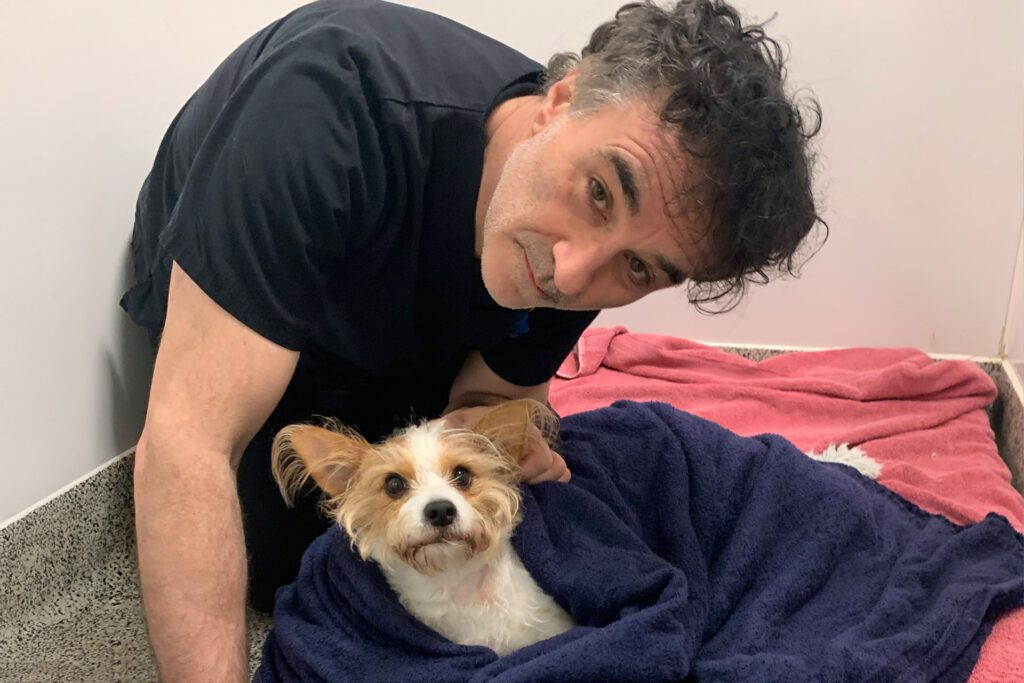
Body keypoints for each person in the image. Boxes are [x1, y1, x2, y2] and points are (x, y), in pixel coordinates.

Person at [121, 0, 824, 679]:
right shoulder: (320, 110)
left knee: (548, 486)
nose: (572, 273)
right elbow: (188, 440)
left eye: (639, 266)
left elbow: (497, 390)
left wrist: (502, 429)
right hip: (271, 321)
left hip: (407, 329)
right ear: (563, 98)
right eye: (601, 192)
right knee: (290, 556)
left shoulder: (576, 248)